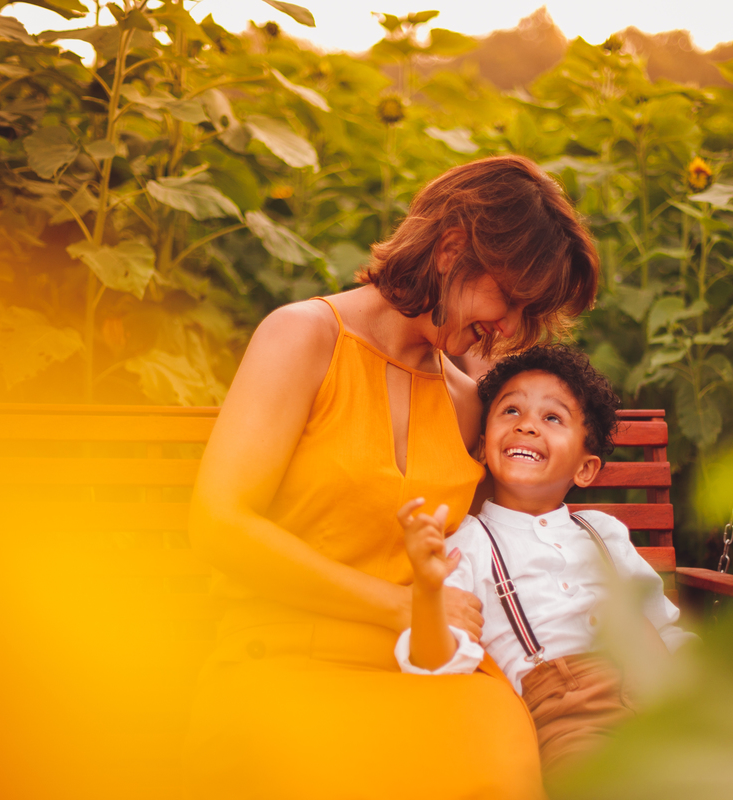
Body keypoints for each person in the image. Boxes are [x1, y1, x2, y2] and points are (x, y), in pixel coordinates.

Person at [184, 155, 598, 799]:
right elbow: (219, 525)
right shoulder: (303, 337)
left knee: (496, 766)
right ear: (452, 245)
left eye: (528, 315)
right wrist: (396, 604)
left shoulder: (468, 405)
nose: (511, 331)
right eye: (509, 300)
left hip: (435, 671)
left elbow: (515, 544)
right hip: (288, 656)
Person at [394, 345, 694, 777]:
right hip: (572, 717)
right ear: (482, 447)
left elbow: (663, 626)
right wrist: (427, 590)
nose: (528, 426)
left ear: (586, 469)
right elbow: (436, 663)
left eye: (552, 418)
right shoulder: (472, 542)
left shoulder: (602, 531)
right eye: (511, 411)